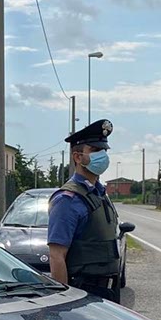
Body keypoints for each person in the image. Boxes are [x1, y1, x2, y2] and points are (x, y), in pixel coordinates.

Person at [47, 119, 123, 302]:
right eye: (95, 151)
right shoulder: (68, 200)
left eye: (104, 151)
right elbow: (57, 256)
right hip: (83, 294)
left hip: (107, 292)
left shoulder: (99, 194)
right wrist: (62, 303)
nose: (102, 156)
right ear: (78, 157)